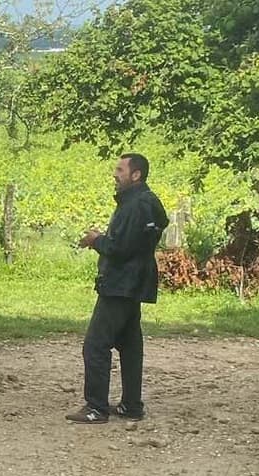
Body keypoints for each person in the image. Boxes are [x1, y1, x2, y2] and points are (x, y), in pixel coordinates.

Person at [68, 153, 169, 424]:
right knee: (130, 344)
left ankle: (96, 408)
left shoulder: (135, 205)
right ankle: (131, 405)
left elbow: (121, 248)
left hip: (121, 284)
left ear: (136, 175)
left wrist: (96, 240)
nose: (115, 174)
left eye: (120, 169)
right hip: (135, 283)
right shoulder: (147, 202)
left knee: (95, 345)